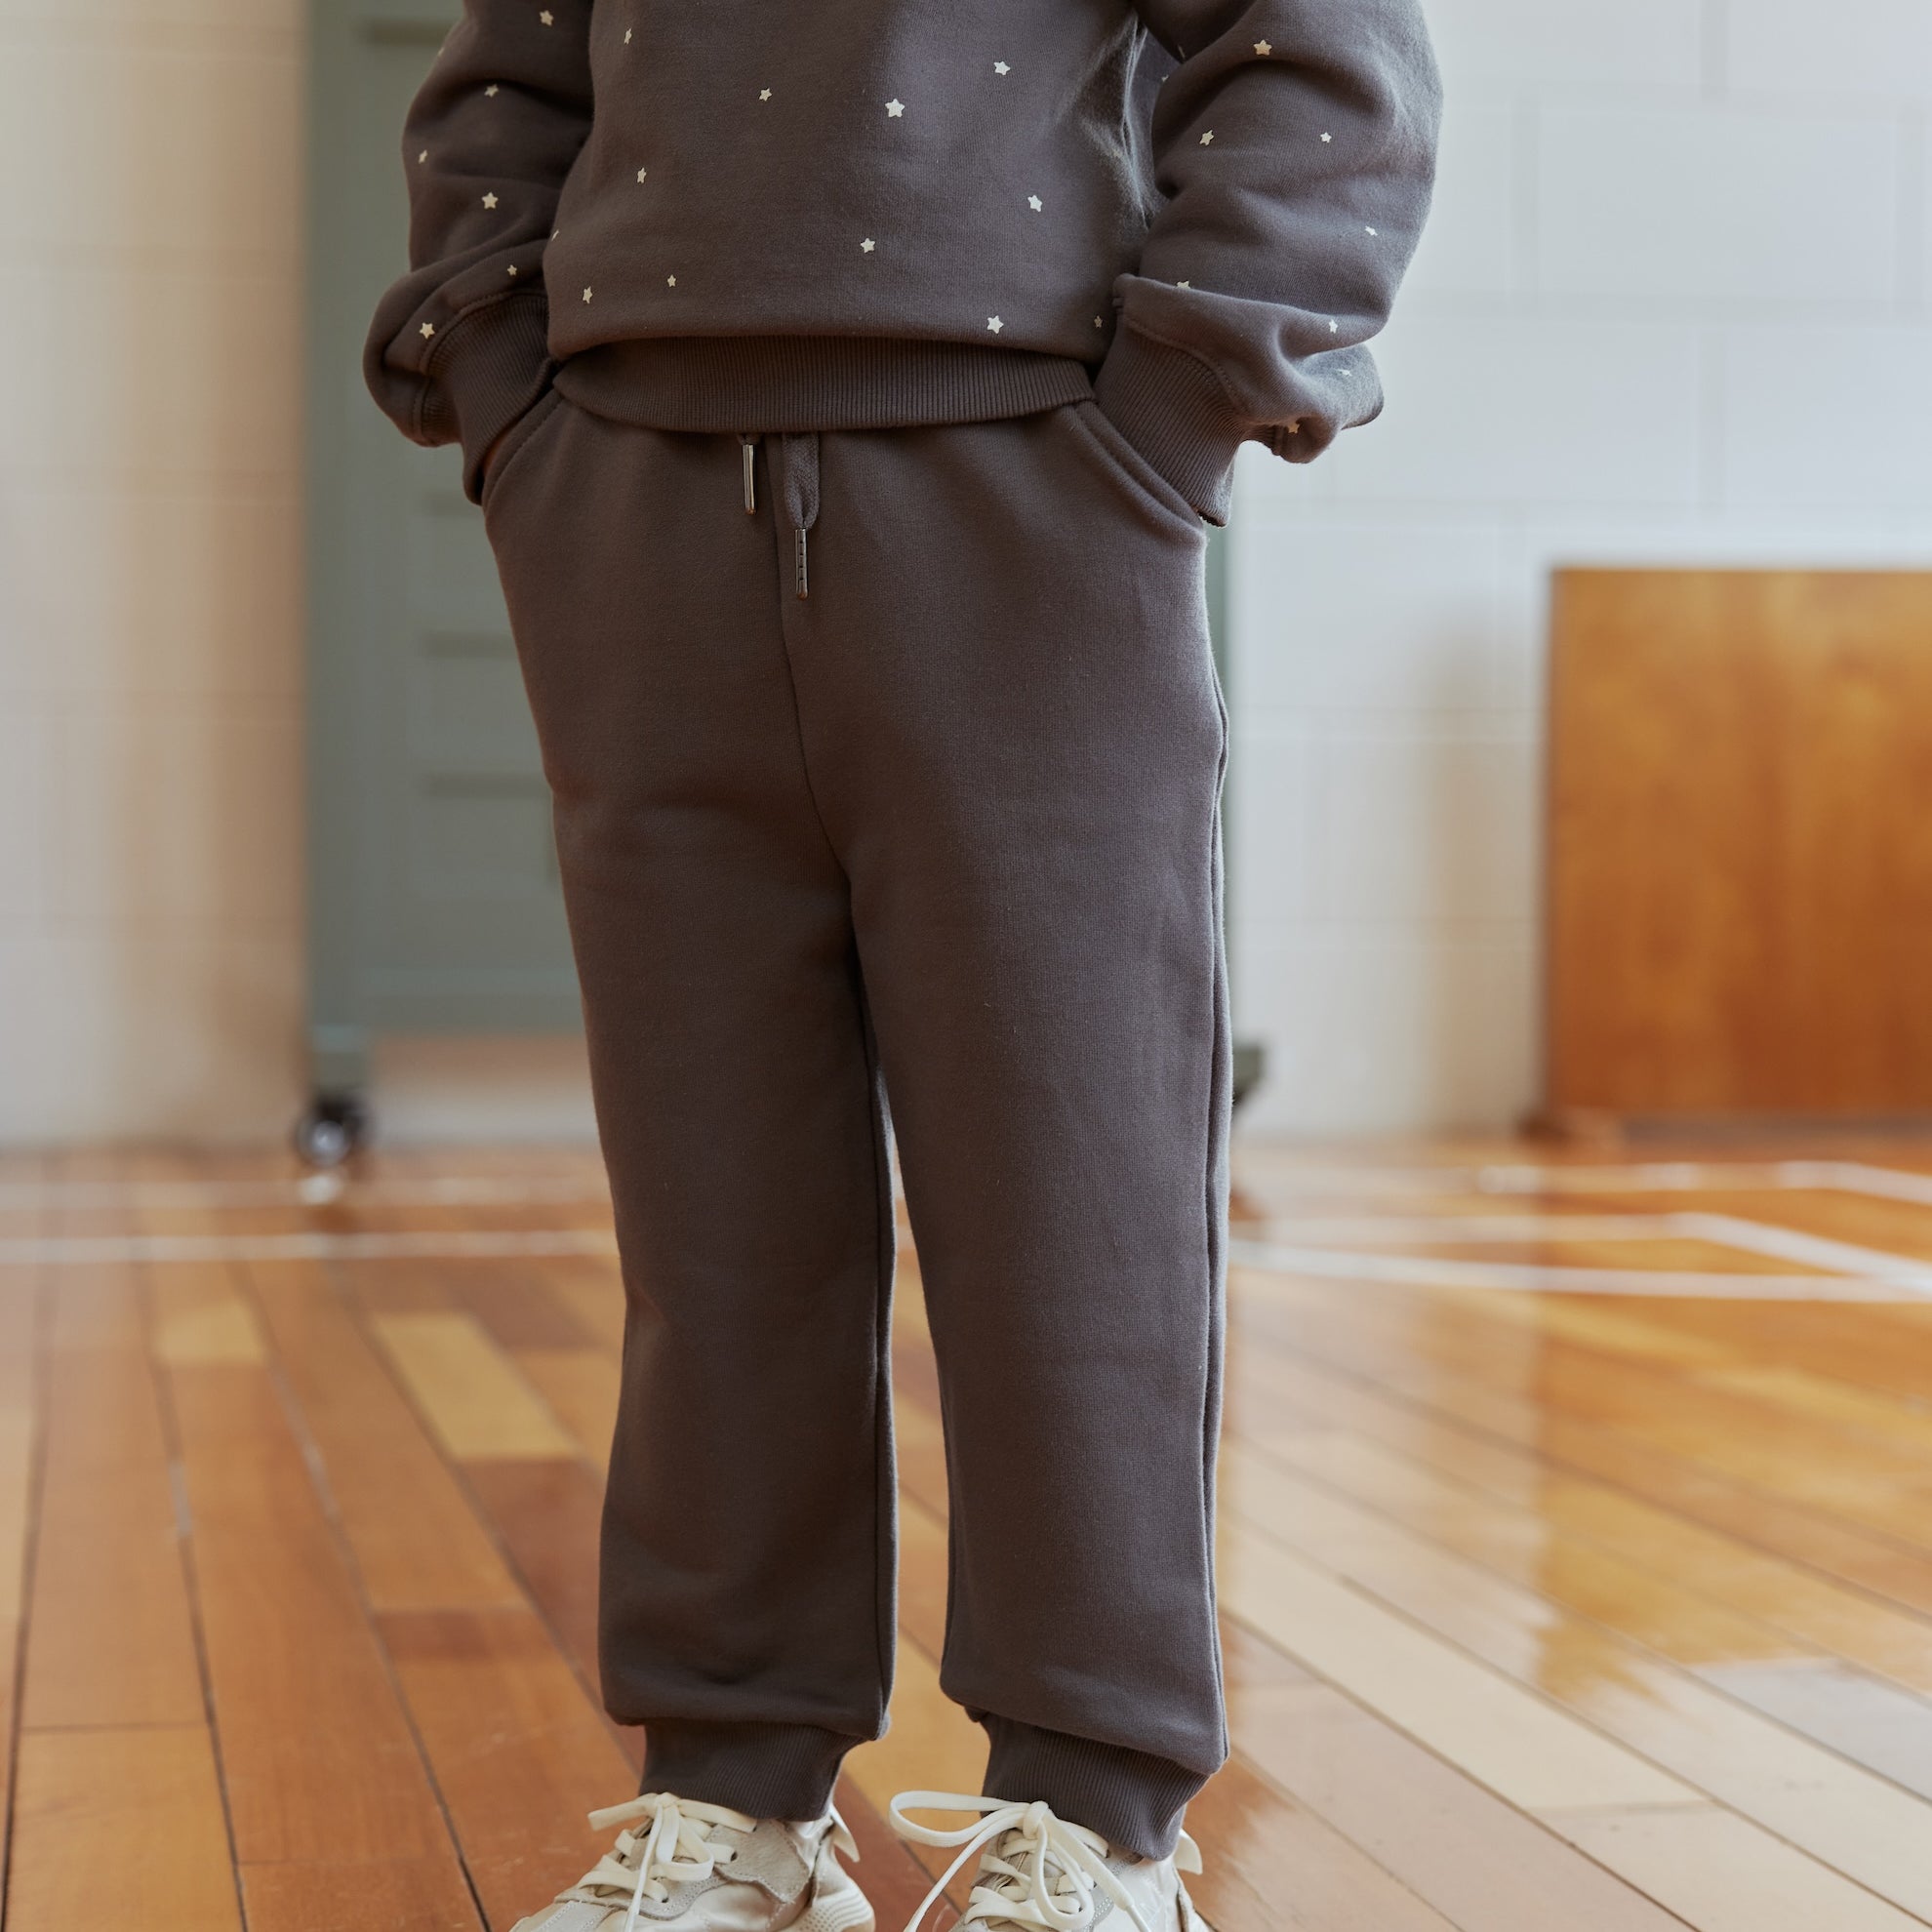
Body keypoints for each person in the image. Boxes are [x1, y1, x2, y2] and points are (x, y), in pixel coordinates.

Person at [365, 1, 1438, 1925]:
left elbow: (1318, 45)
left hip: (1031, 489)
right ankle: (735, 1812)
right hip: (636, 504)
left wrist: (1172, 413)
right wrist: (515, 408)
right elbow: (507, 71)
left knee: (1077, 1203)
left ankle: (1097, 1824)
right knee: (710, 1219)